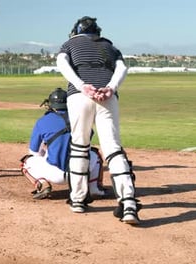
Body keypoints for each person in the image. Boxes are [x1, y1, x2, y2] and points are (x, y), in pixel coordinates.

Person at [56, 16, 141, 224]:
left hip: (79, 96)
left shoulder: (69, 43)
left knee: (79, 146)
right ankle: (128, 202)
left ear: (76, 30)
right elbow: (122, 69)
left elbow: (62, 63)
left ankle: (77, 199)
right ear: (97, 31)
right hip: (107, 96)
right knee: (113, 149)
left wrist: (81, 84)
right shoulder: (109, 46)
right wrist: (111, 88)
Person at [20, 88, 106, 200]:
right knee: (95, 154)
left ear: (50, 105)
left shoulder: (42, 121)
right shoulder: (81, 118)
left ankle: (42, 183)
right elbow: (87, 141)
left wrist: (48, 151)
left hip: (55, 174)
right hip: (81, 171)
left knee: (26, 161)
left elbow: (34, 152)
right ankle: (94, 188)